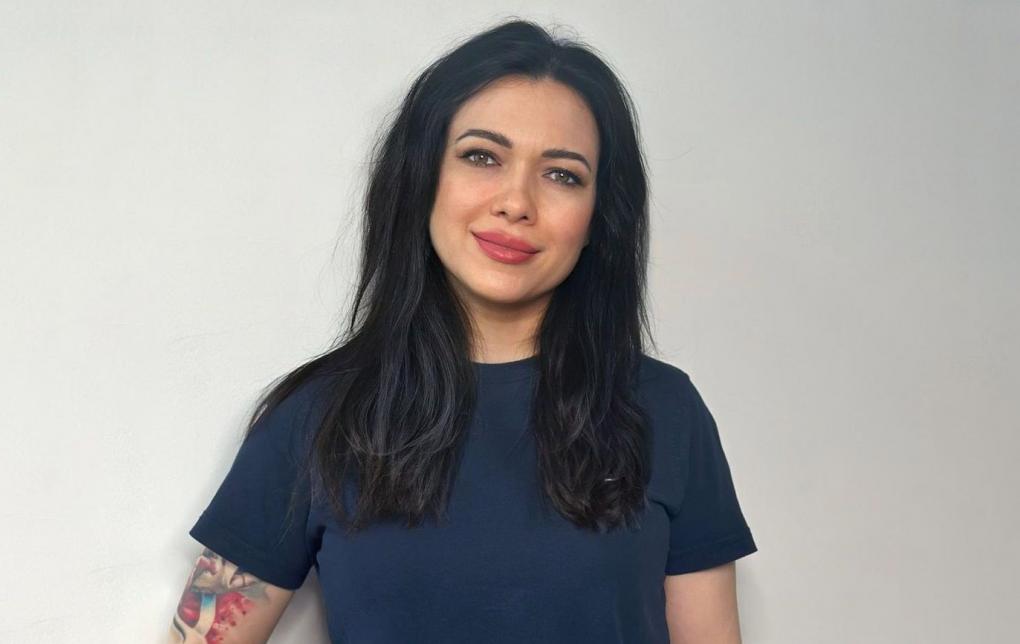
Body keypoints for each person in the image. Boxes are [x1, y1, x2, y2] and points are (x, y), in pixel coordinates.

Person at [167, 17, 757, 644]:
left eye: (562, 174)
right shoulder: (315, 417)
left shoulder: (665, 411)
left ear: (597, 218)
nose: (516, 202)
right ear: (422, 178)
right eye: (482, 157)